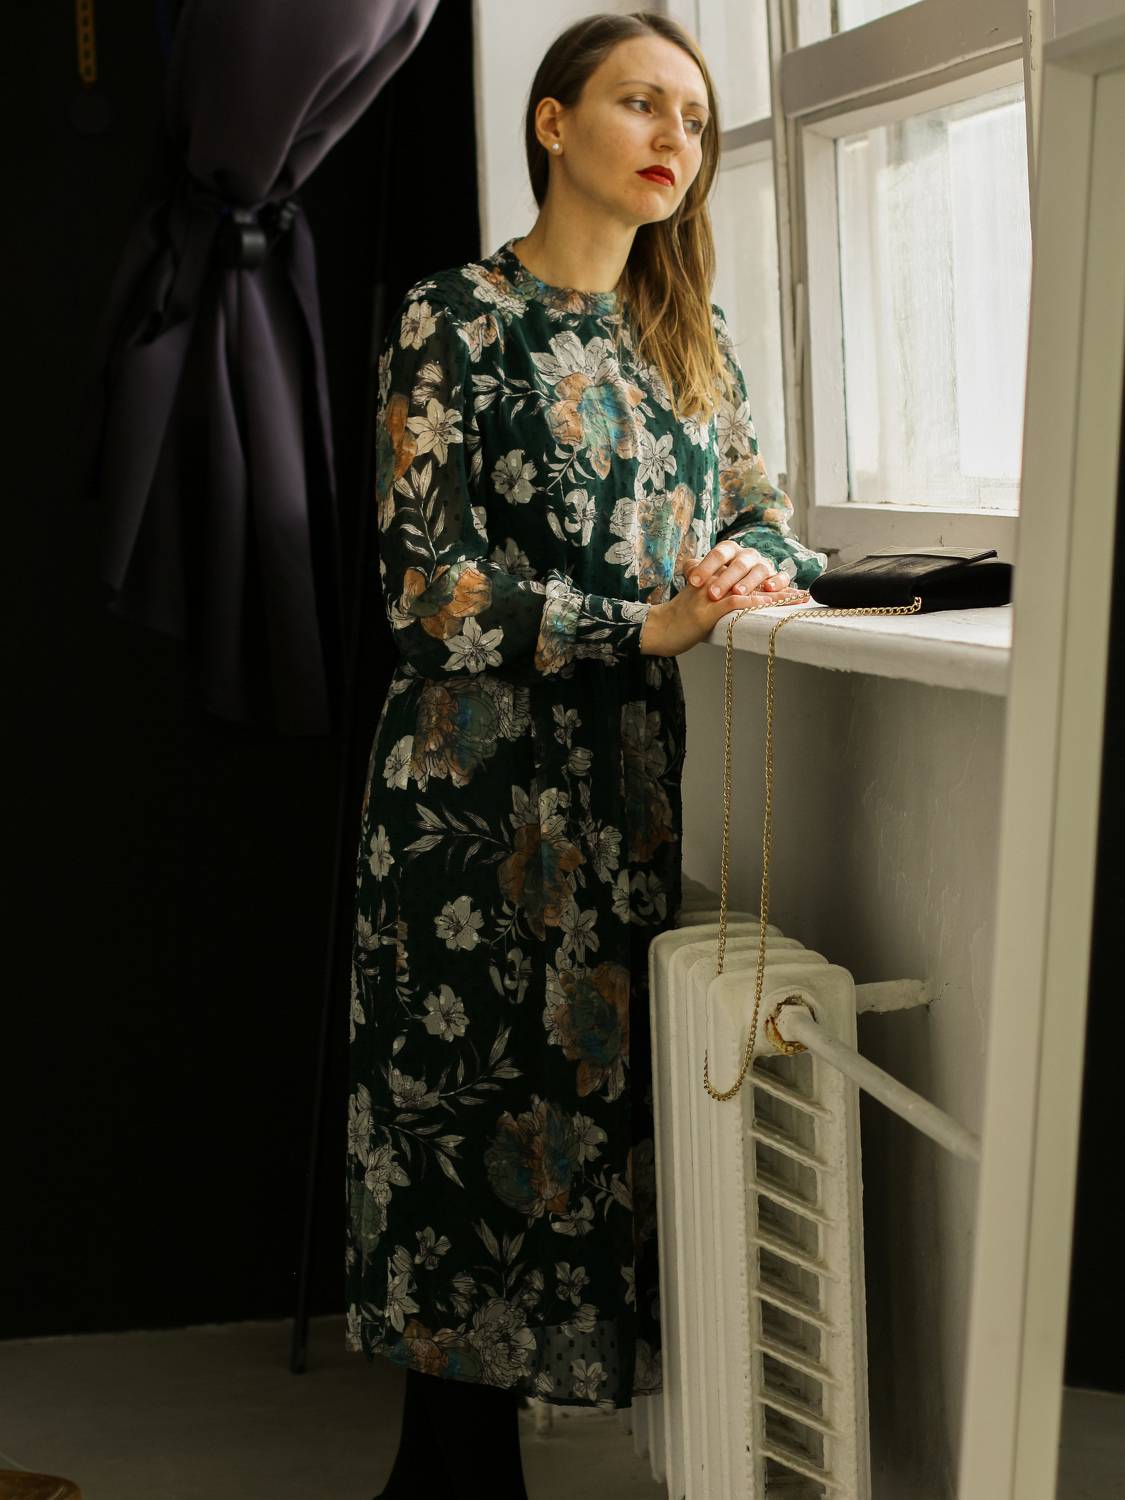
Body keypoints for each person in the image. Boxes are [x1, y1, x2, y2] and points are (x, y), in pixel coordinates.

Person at [345, 10, 829, 1496]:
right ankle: (446, 1478)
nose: (676, 136)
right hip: (470, 788)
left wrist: (745, 566)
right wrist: (644, 623)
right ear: (553, 124)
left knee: (581, 1131)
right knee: (462, 1125)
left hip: (620, 789)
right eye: (640, 103)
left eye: (695, 116)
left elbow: (767, 515)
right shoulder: (454, 317)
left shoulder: (690, 337)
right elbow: (424, 587)